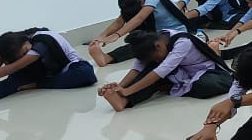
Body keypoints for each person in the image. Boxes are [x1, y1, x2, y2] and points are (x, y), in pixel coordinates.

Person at [0, 28, 96, 106]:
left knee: (87, 74)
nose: (24, 56)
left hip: (67, 69)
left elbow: (13, 67)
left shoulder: (41, 41)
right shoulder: (15, 47)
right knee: (15, 81)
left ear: (26, 42)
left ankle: (37, 84)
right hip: (41, 71)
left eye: (25, 52)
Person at [97, 29, 232, 110]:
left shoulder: (182, 42)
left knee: (207, 85)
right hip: (179, 73)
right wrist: (118, 88)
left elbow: (161, 70)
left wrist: (128, 90)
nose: (156, 61)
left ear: (158, 46)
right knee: (151, 69)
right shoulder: (149, 43)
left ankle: (168, 87)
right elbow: (137, 69)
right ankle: (124, 101)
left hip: (206, 72)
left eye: (156, 57)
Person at [89, 0, 190, 66]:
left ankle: (108, 58)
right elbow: (119, 22)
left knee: (144, 44)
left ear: (140, 1)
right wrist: (101, 37)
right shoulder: (132, 4)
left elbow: (140, 18)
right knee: (138, 40)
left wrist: (116, 35)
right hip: (157, 32)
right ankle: (108, 58)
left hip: (175, 32)